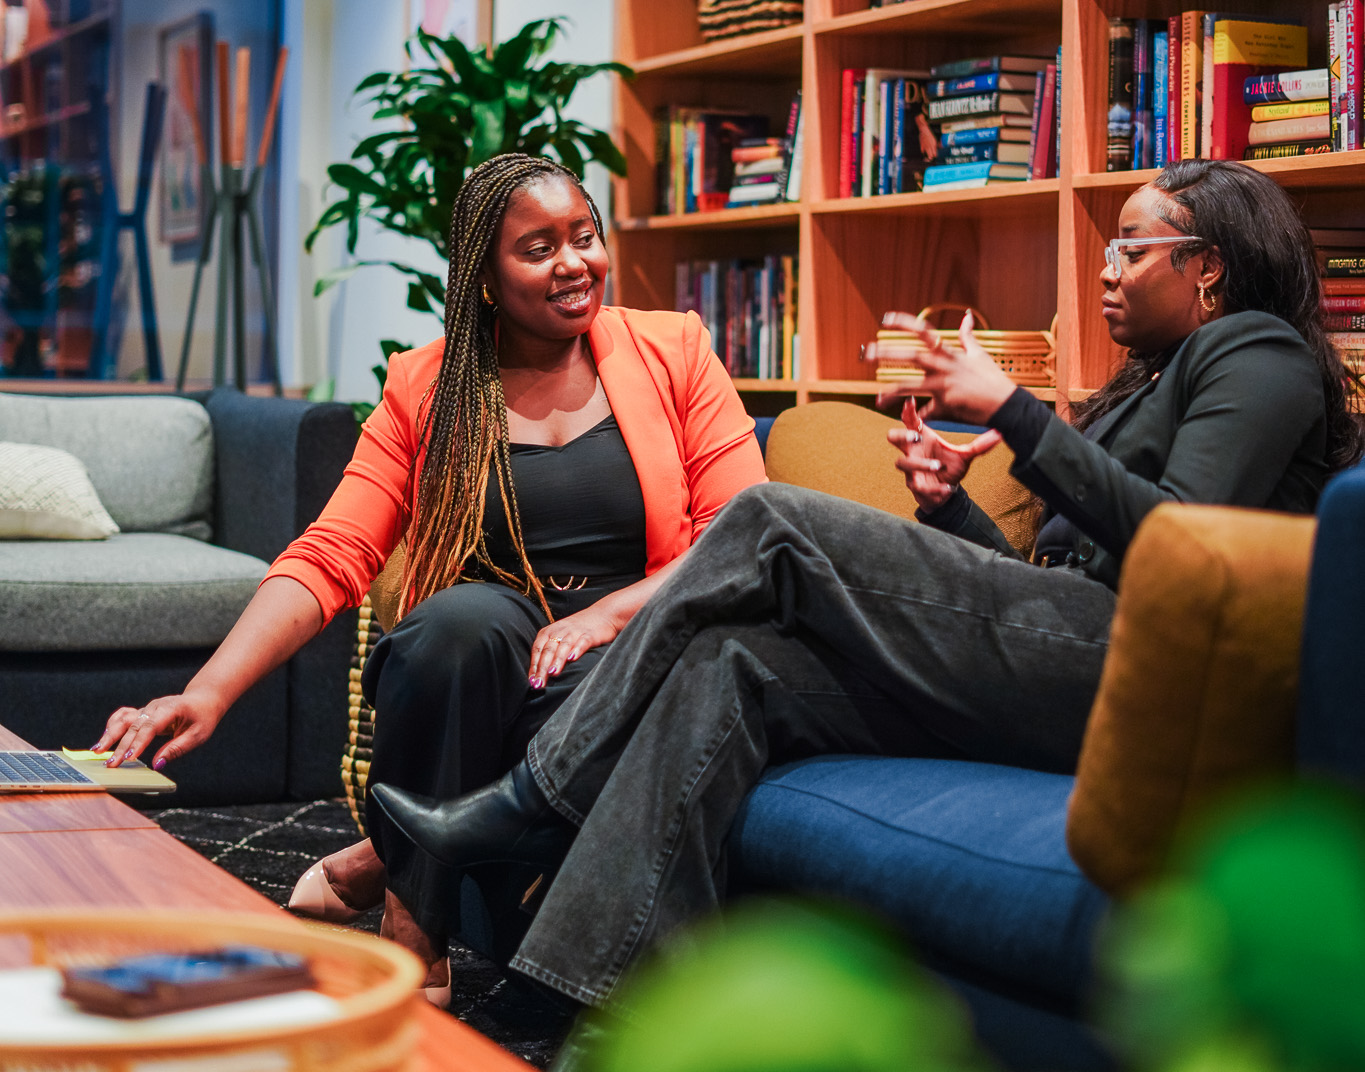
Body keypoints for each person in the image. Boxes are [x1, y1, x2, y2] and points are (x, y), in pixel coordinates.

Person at [371, 160, 1363, 1011]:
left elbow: (1178, 542)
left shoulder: (1260, 351)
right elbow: (1045, 582)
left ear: (1207, 266)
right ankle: (593, 1007)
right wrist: (951, 509)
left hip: (1148, 674)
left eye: (1132, 248)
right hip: (1067, 655)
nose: (1106, 267)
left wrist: (1015, 412)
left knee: (769, 520)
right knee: (731, 656)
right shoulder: (1143, 383)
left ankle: (532, 795)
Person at [95, 152, 766, 1003]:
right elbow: (334, 550)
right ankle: (415, 921)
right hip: (502, 645)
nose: (573, 263)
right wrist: (208, 692)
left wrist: (608, 616)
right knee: (451, 629)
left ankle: (389, 858)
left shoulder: (674, 350)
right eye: (538, 248)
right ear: (484, 276)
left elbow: (740, 533)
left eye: (583, 236)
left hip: (648, 629)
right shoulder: (428, 383)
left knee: (581, 684)